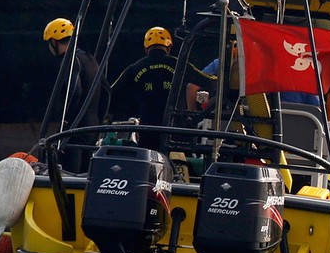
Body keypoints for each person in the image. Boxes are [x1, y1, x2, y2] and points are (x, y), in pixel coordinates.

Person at [110, 26, 215, 150]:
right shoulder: (179, 65)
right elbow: (208, 81)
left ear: (146, 48)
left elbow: (111, 94)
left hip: (147, 133)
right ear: (169, 47)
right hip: (175, 133)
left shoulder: (134, 68)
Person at [43, 17, 109, 172]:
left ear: (54, 42)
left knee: (69, 174)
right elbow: (106, 92)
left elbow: (75, 90)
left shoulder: (71, 60)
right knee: (86, 175)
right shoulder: (90, 59)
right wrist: (99, 120)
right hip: (92, 129)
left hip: (75, 133)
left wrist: (66, 120)